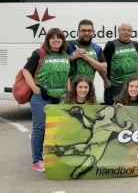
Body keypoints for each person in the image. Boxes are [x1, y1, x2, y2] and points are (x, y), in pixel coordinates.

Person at [22, 28, 71, 172]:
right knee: (40, 129)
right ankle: (37, 160)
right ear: (48, 40)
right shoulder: (40, 53)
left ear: (63, 40)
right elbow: (26, 71)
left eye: (59, 37)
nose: (56, 40)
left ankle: (54, 157)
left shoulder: (66, 55)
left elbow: (67, 75)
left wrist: (69, 93)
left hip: (60, 98)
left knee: (57, 129)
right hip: (41, 98)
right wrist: (35, 88)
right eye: (52, 38)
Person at [103, 23, 138, 105]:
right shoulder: (111, 45)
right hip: (116, 86)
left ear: (132, 32)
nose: (126, 32)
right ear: (118, 31)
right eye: (123, 30)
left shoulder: (135, 45)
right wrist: (106, 80)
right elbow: (103, 65)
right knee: (114, 109)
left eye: (129, 30)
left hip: (132, 86)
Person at [67, 19, 107, 84]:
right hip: (71, 90)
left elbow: (103, 68)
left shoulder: (97, 48)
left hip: (88, 89)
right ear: (78, 32)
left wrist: (87, 58)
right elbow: (58, 64)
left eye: (89, 30)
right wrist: (73, 57)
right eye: (83, 31)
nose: (86, 33)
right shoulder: (68, 45)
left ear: (93, 32)